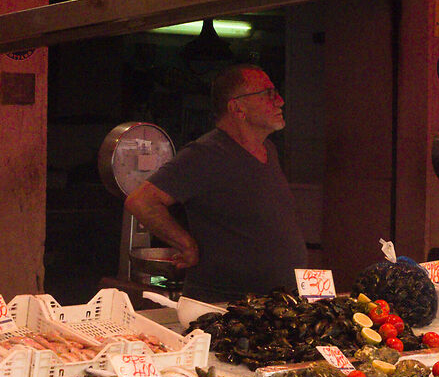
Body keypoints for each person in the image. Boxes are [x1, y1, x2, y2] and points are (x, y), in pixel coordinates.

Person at [124, 65, 311, 303]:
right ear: (237, 108)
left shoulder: (269, 150)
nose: (281, 101)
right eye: (269, 94)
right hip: (225, 306)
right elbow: (141, 201)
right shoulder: (206, 153)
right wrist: (186, 244)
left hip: (276, 303)